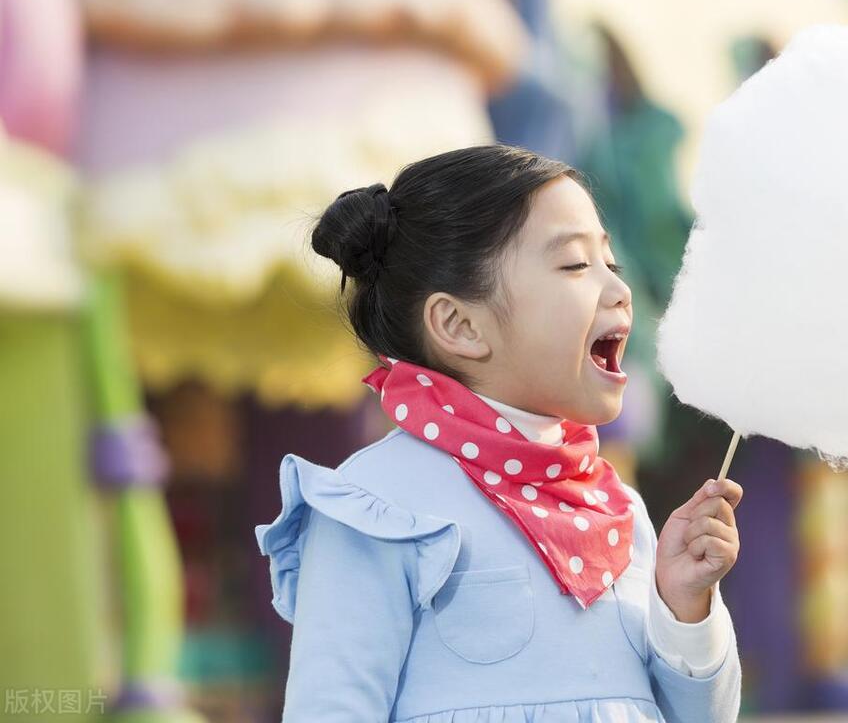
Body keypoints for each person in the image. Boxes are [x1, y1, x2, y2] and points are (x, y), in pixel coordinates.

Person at [254, 144, 743, 721]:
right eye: (574, 265)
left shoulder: (621, 511)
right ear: (460, 325)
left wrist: (685, 604)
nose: (619, 289)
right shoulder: (374, 506)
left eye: (609, 262)